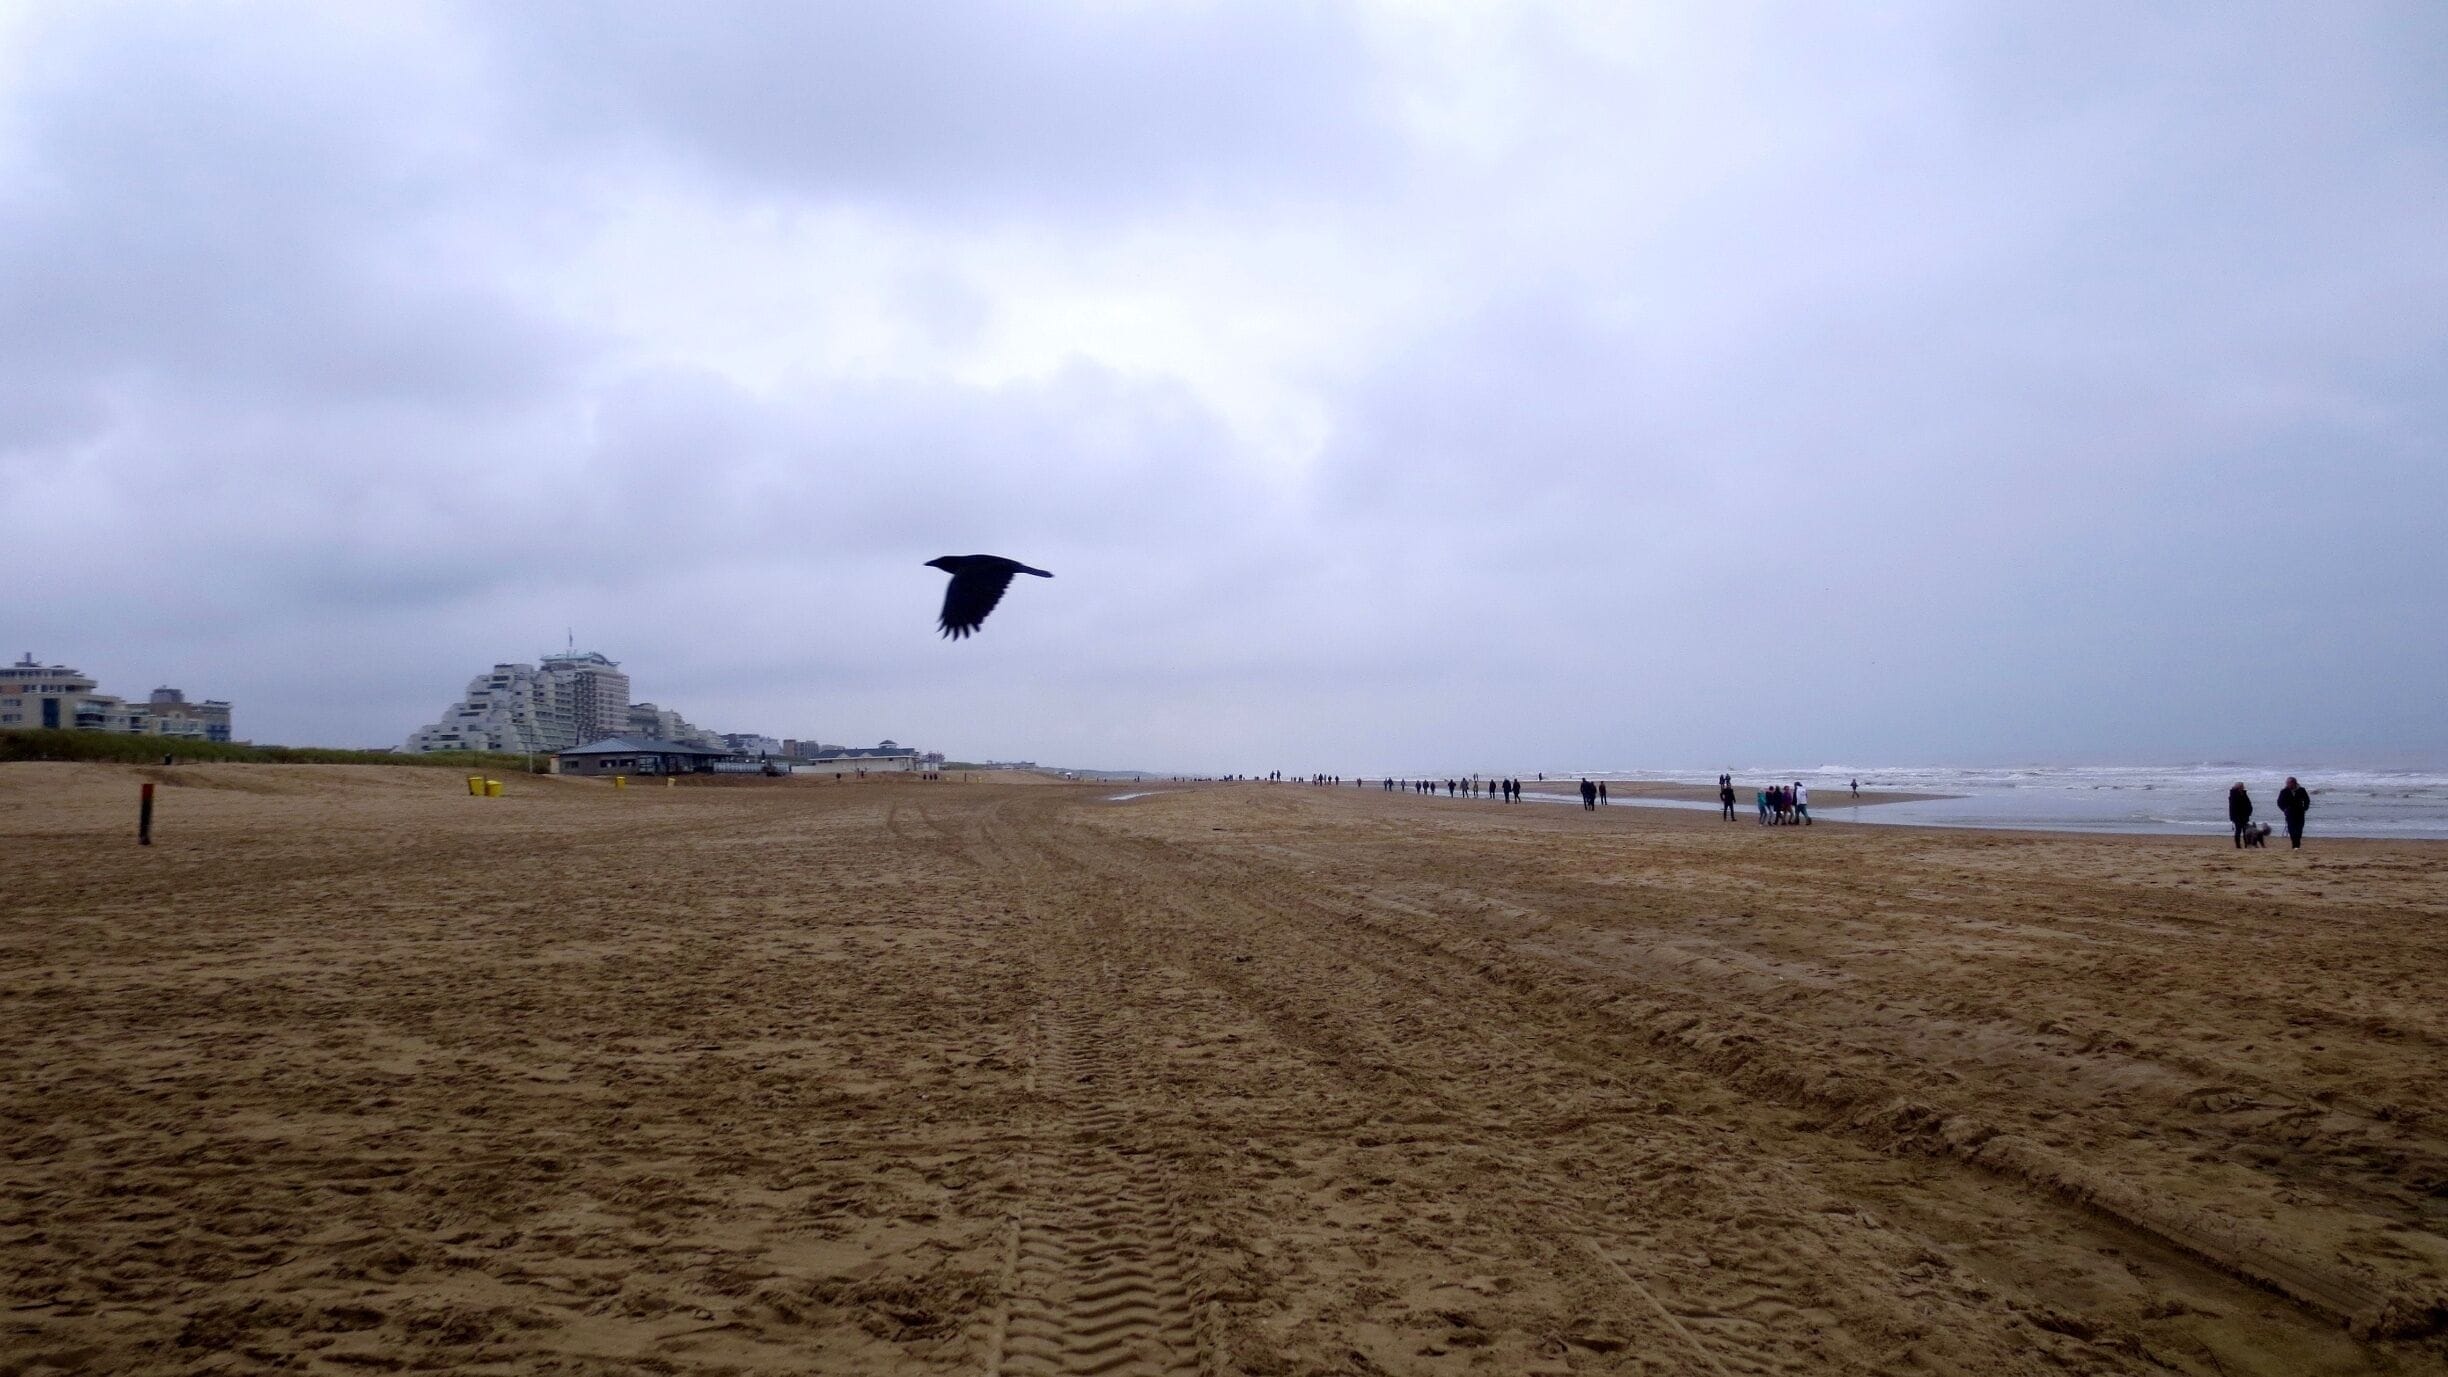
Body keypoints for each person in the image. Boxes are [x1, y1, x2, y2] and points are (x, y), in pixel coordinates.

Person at [2277, 776, 2310, 849]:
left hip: (2300, 812)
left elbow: (2307, 800)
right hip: (2290, 812)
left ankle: (2297, 844)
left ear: (2294, 783)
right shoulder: (2284, 791)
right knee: (2291, 829)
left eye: (2288, 783)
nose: (2287, 784)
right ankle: (2294, 845)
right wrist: (2284, 809)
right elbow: (2279, 802)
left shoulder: (2301, 790)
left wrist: (2305, 808)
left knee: (2299, 829)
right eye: (2287, 783)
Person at [2228, 781, 2254, 848]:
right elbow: (2232, 807)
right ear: (2238, 787)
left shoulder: (2244, 793)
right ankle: (2238, 845)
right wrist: (2233, 817)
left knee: (2246, 831)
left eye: (2243, 786)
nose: (2243, 787)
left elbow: (2248, 803)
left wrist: (2249, 811)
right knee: (2238, 831)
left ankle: (2247, 845)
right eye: (2241, 786)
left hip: (2245, 816)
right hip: (2237, 816)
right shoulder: (2233, 795)